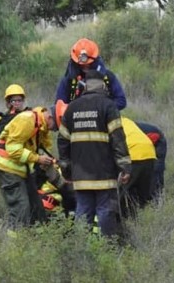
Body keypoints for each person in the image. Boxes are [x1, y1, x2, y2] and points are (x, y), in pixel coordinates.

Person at [57, 69, 131, 237]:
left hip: (80, 175)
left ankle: (82, 251)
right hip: (104, 174)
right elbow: (118, 139)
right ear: (103, 84)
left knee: (82, 211)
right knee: (105, 211)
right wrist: (125, 168)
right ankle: (107, 249)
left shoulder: (71, 108)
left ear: (85, 85)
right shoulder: (108, 106)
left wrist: (67, 169)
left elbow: (62, 141)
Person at [0, 106, 58, 229]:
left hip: (21, 170)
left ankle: (32, 239)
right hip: (7, 168)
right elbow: (13, 149)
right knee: (21, 208)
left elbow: (44, 147)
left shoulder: (41, 126)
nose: (55, 130)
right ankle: (15, 243)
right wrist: (37, 159)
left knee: (36, 208)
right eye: (56, 126)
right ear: (50, 118)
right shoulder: (27, 120)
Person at [55, 38, 127, 110]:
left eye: (89, 63)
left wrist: (101, 109)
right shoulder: (68, 80)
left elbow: (121, 101)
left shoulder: (107, 77)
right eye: (82, 64)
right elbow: (59, 106)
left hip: (103, 118)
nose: (85, 66)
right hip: (76, 118)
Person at [120, 116, 156, 218]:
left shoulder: (107, 121)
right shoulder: (126, 120)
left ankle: (119, 226)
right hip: (149, 153)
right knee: (142, 197)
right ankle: (142, 221)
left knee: (119, 194)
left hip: (132, 154)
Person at [135, 122, 167, 198]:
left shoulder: (121, 130)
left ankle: (157, 200)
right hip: (141, 142)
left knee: (156, 171)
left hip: (156, 140)